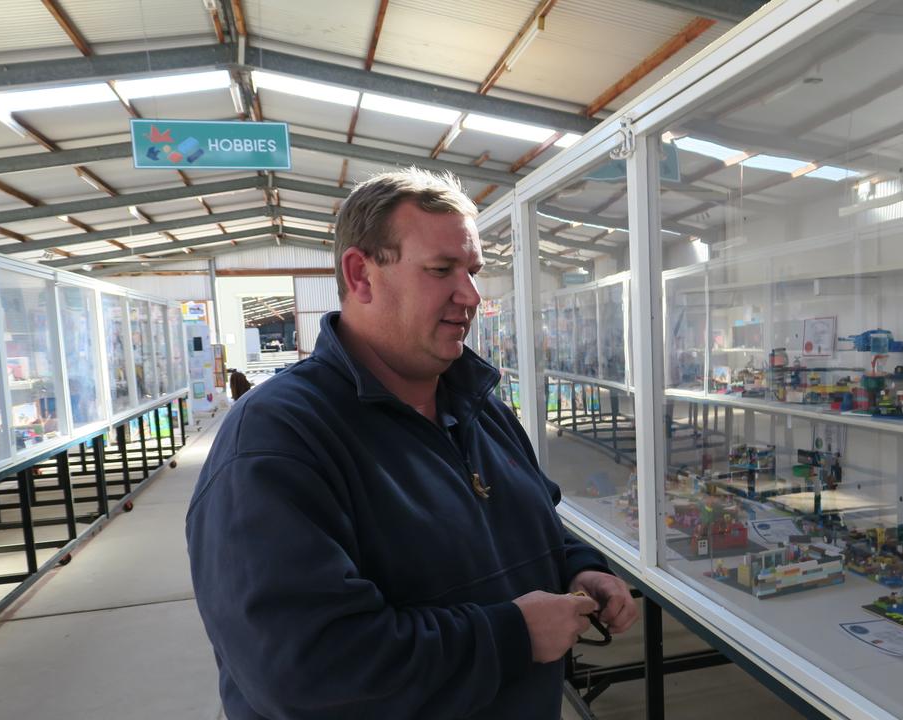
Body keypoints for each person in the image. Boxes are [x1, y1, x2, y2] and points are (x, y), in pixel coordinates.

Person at [186, 167, 637, 720]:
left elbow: (529, 521)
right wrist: (510, 635)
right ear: (361, 274)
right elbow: (306, 670)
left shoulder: (479, 405)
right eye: (441, 270)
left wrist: (577, 567)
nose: (470, 295)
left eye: (472, 271)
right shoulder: (279, 438)